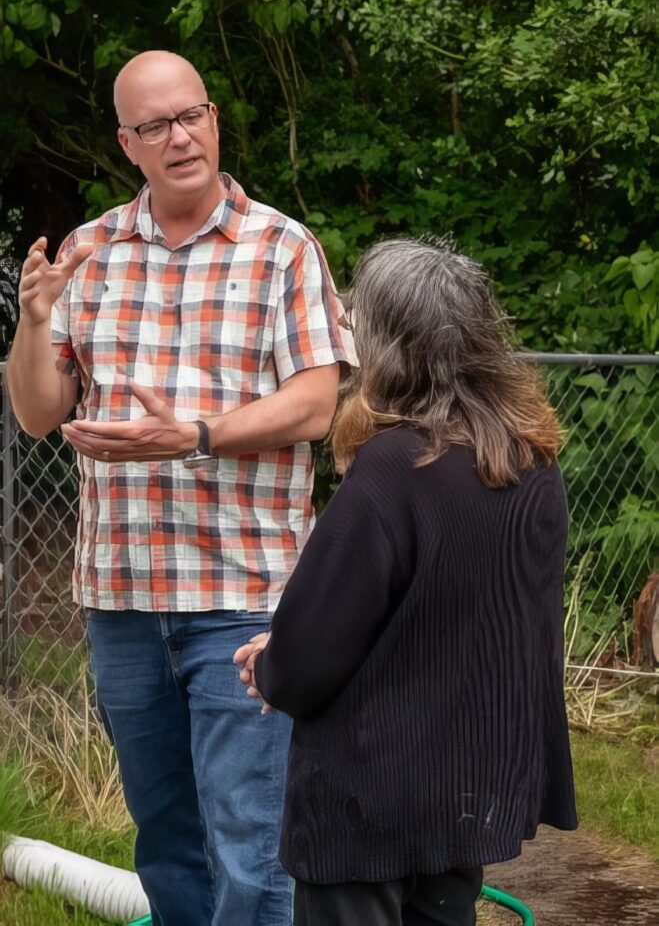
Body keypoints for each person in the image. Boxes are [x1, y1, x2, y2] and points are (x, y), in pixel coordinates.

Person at [6, 50, 355, 926]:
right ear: (128, 143)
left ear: (213, 120)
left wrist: (194, 436)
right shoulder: (88, 250)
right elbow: (38, 413)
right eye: (155, 125)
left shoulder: (281, 247)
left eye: (190, 115)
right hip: (121, 598)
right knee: (165, 838)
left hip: (245, 598)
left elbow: (316, 405)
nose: (180, 137)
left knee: (251, 841)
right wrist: (35, 321)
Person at [235, 238, 578, 926]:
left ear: (390, 346)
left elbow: (313, 648)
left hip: (367, 802)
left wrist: (273, 664)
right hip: (467, 791)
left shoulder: (394, 467)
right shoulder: (532, 463)